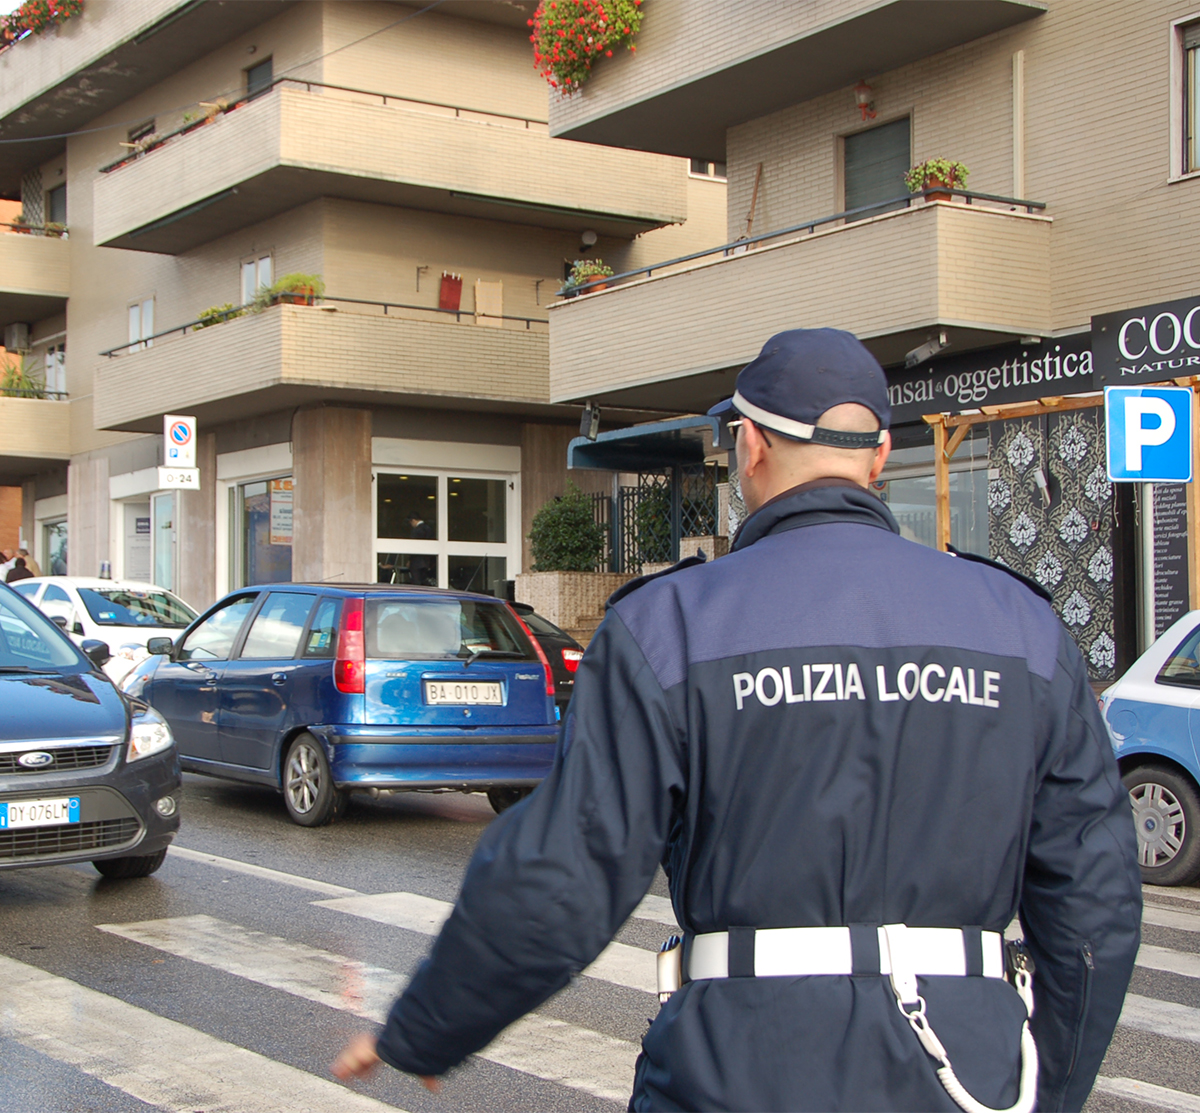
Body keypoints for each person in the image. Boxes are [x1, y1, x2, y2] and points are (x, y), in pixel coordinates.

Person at [333, 328, 1141, 1112]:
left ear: (749, 445)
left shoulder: (672, 626)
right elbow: (1094, 897)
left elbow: (565, 871)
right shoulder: (1021, 627)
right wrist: (1045, 1082)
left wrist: (432, 1024)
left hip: (739, 1071)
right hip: (969, 1072)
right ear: (880, 457)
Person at [406, 512, 436, 586]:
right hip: (427, 561)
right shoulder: (429, 529)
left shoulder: (416, 531)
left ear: (413, 520)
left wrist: (410, 560)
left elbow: (414, 546)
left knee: (416, 583)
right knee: (425, 582)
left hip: (417, 561)